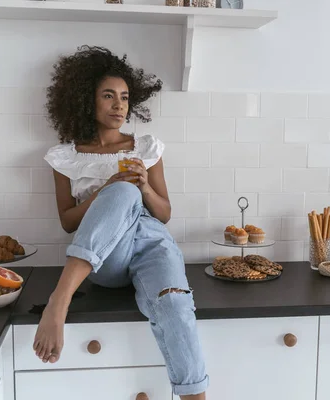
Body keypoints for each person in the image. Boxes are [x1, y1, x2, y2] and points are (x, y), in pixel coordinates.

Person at [33, 45, 208, 399]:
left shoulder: (145, 147)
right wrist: (107, 191)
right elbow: (68, 222)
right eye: (109, 96)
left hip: (152, 244)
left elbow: (164, 214)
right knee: (122, 193)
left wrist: (144, 186)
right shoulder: (65, 156)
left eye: (125, 97)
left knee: (175, 303)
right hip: (105, 255)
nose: (119, 105)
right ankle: (59, 300)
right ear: (87, 100)